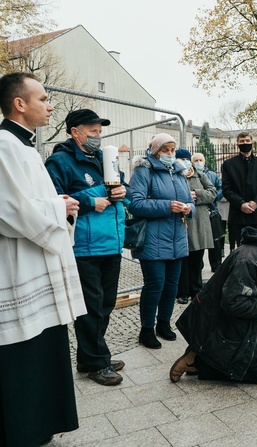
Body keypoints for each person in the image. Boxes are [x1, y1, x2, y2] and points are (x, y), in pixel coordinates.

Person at [0, 72, 87, 446]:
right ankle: (22, 430)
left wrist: (57, 206)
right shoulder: (4, 145)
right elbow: (9, 210)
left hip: (37, 259)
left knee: (44, 344)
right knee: (24, 353)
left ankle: (42, 422)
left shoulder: (25, 147)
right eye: (43, 98)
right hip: (19, 264)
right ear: (20, 104)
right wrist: (59, 206)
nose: (51, 105)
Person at [45, 109, 127, 386]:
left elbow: (117, 186)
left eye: (99, 131)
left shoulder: (104, 159)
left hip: (111, 243)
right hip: (84, 246)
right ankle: (95, 362)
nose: (97, 135)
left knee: (105, 303)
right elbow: (53, 199)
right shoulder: (60, 161)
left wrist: (121, 191)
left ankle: (92, 354)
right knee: (91, 306)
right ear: (74, 132)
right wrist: (92, 200)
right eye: (92, 130)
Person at [170, 228, 257, 384]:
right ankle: (199, 361)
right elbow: (232, 303)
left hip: (252, 322)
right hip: (225, 325)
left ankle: (215, 356)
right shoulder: (248, 260)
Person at [127, 134, 195, 349]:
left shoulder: (179, 172)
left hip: (177, 238)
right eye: (165, 150)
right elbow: (135, 204)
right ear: (155, 151)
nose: (170, 154)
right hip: (152, 239)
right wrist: (167, 206)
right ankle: (146, 329)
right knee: (155, 285)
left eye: (172, 149)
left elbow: (189, 201)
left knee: (172, 285)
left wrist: (188, 208)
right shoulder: (143, 170)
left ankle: (164, 324)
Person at [175, 149, 217, 304]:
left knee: (197, 258)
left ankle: (196, 290)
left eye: (187, 158)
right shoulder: (174, 175)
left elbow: (212, 192)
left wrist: (197, 194)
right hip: (181, 221)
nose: (185, 161)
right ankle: (182, 292)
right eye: (181, 158)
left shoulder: (200, 175)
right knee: (182, 259)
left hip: (199, 221)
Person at [220, 131, 257, 250]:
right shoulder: (228, 164)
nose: (245, 143)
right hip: (238, 216)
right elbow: (226, 189)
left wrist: (256, 202)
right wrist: (241, 204)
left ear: (252, 143)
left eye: (247, 141)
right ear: (237, 144)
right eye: (242, 141)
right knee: (240, 251)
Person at [193, 152, 225, 272]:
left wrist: (214, 197)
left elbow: (220, 188)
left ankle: (216, 267)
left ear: (205, 161)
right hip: (197, 214)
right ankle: (198, 266)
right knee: (199, 241)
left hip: (212, 212)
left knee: (215, 242)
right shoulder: (190, 175)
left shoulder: (212, 175)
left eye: (200, 160)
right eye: (196, 160)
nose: (198, 163)